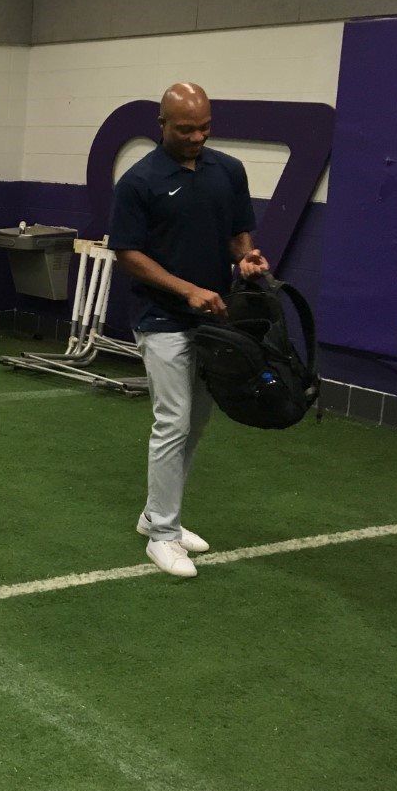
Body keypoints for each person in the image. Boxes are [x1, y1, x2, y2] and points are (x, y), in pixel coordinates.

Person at [109, 82, 269, 578]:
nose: (197, 137)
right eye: (185, 129)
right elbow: (128, 254)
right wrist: (187, 290)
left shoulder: (229, 170)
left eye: (204, 128)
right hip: (160, 319)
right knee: (173, 421)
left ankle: (158, 516)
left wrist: (246, 259)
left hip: (213, 321)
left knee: (196, 422)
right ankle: (162, 536)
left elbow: (237, 235)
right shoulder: (139, 181)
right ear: (162, 125)